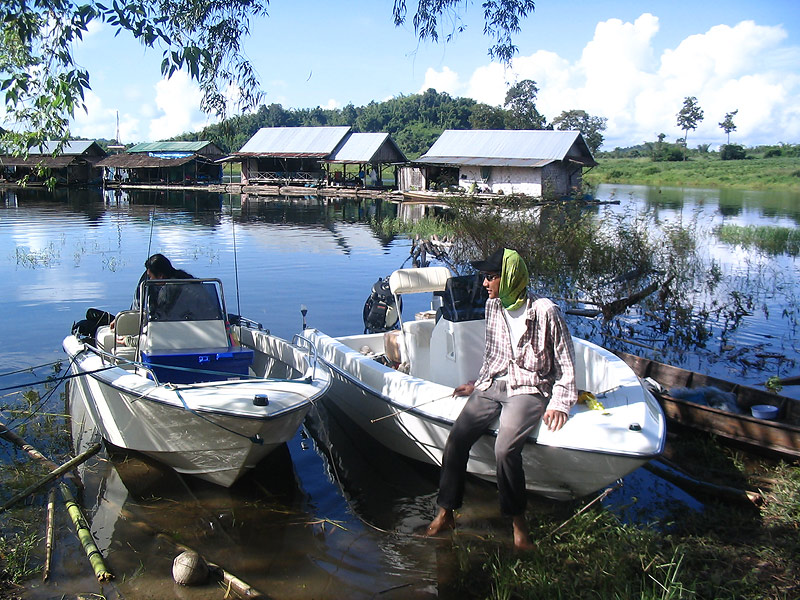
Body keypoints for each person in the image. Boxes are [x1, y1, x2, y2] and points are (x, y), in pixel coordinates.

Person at [425, 248, 578, 550]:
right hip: (493, 384)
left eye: (491, 277)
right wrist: (477, 383)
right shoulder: (494, 306)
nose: (484, 283)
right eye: (485, 277)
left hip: (528, 389)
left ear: (510, 277)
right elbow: (493, 355)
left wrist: (561, 402)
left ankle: (519, 527)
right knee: (456, 439)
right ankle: (446, 512)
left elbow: (566, 365)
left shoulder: (546, 311)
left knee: (505, 450)